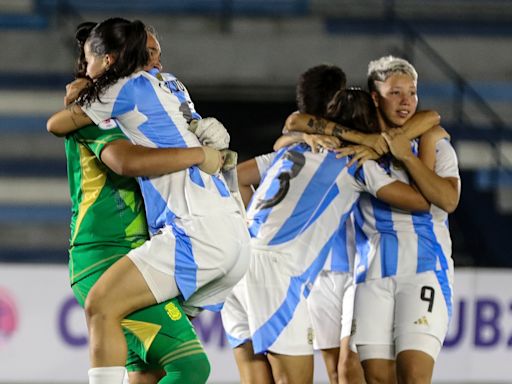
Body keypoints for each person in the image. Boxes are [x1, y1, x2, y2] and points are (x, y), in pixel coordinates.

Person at [47, 18, 250, 384]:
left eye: (157, 54)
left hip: (171, 240)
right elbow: (124, 160)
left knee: (161, 367)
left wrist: (198, 135)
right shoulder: (105, 112)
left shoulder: (148, 98)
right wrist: (199, 153)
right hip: (109, 252)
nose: (155, 62)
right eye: (146, 53)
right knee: (171, 367)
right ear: (116, 58)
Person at [221, 88, 432, 384]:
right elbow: (421, 201)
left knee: (255, 377)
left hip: (237, 261)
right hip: (276, 272)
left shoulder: (291, 150)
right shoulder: (356, 164)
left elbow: (233, 177)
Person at [349, 56, 460, 384]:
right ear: (375, 96)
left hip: (424, 271)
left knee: (413, 376)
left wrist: (406, 156)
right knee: (377, 380)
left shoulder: (435, 145)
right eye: (395, 92)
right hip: (372, 275)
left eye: (412, 92)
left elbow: (448, 199)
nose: (406, 100)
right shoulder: (359, 148)